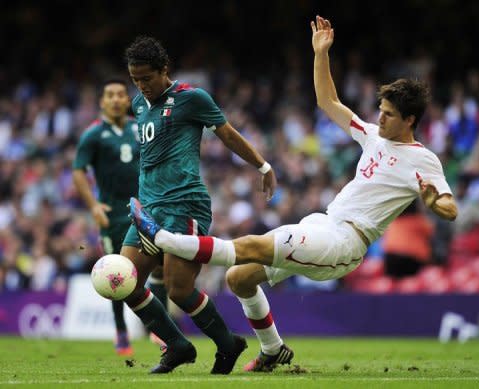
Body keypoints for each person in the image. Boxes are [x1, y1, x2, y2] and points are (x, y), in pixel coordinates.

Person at [129, 15, 458, 372]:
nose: (380, 119)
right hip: (324, 224)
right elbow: (328, 101)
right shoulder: (372, 135)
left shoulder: (423, 160)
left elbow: (450, 207)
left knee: (251, 245)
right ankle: (273, 349)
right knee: (239, 278)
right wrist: (321, 54)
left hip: (346, 243)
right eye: (380, 111)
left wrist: (432, 202)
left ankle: (162, 237)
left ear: (410, 120)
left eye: (389, 115)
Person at [120, 36, 278, 375]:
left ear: (164, 70)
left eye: (147, 78)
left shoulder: (191, 98)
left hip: (184, 203)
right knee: (123, 279)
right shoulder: (138, 105)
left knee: (179, 289)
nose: (141, 86)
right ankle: (177, 345)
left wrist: (262, 166)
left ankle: (227, 343)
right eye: (135, 79)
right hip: (148, 207)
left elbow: (227, 133)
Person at [72, 78, 168, 356]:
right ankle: (121, 331)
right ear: (102, 102)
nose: (115, 99)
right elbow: (78, 170)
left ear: (127, 101)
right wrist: (93, 206)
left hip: (144, 208)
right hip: (112, 215)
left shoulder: (139, 129)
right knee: (116, 273)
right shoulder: (93, 135)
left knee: (160, 264)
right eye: (110, 95)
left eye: (120, 95)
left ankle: (159, 330)